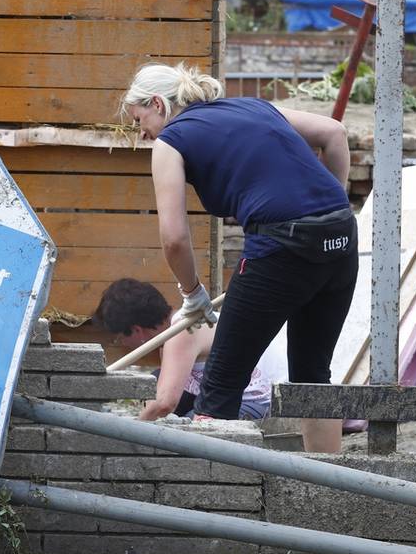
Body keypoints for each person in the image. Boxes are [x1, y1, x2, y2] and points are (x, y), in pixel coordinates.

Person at [122, 62, 358, 453]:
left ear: (159, 104)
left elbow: (175, 239)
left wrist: (192, 293)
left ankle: (214, 500)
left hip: (281, 246)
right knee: (312, 378)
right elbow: (334, 133)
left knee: (221, 383)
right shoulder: (253, 106)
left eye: (139, 118)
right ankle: (328, 491)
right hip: (340, 238)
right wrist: (326, 210)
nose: (141, 132)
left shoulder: (172, 141)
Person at [93, 278, 271, 422]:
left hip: (257, 402)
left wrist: (131, 436)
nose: (122, 343)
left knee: (185, 429)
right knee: (158, 381)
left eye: (120, 337)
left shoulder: (182, 330)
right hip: (231, 397)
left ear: (137, 330)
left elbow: (164, 404)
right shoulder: (173, 332)